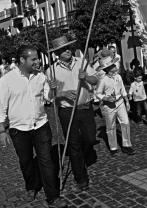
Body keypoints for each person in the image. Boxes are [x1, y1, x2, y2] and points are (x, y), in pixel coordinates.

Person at [0, 45, 67, 208]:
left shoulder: (40, 77)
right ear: (22, 60)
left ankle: (52, 197)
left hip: (41, 125)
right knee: (26, 161)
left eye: (37, 58)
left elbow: (48, 98)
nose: (37, 61)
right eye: (33, 58)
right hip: (19, 130)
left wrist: (53, 91)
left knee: (46, 160)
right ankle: (31, 187)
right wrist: (1, 131)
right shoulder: (7, 80)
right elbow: (0, 106)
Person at [46, 36, 98, 191]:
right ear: (56, 54)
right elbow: (48, 97)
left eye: (68, 48)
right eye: (62, 50)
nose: (66, 51)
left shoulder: (81, 62)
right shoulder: (51, 71)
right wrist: (62, 93)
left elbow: (95, 80)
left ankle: (80, 159)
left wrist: (86, 77)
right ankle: (81, 178)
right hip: (67, 112)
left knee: (90, 139)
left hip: (85, 108)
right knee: (73, 145)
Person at [95, 55, 135, 157]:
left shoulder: (118, 77)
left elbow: (122, 89)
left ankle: (127, 145)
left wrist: (127, 101)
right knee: (111, 126)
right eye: (113, 65)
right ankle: (113, 147)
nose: (115, 66)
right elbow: (98, 93)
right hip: (109, 106)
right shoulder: (103, 80)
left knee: (125, 122)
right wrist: (106, 98)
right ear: (108, 69)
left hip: (120, 102)